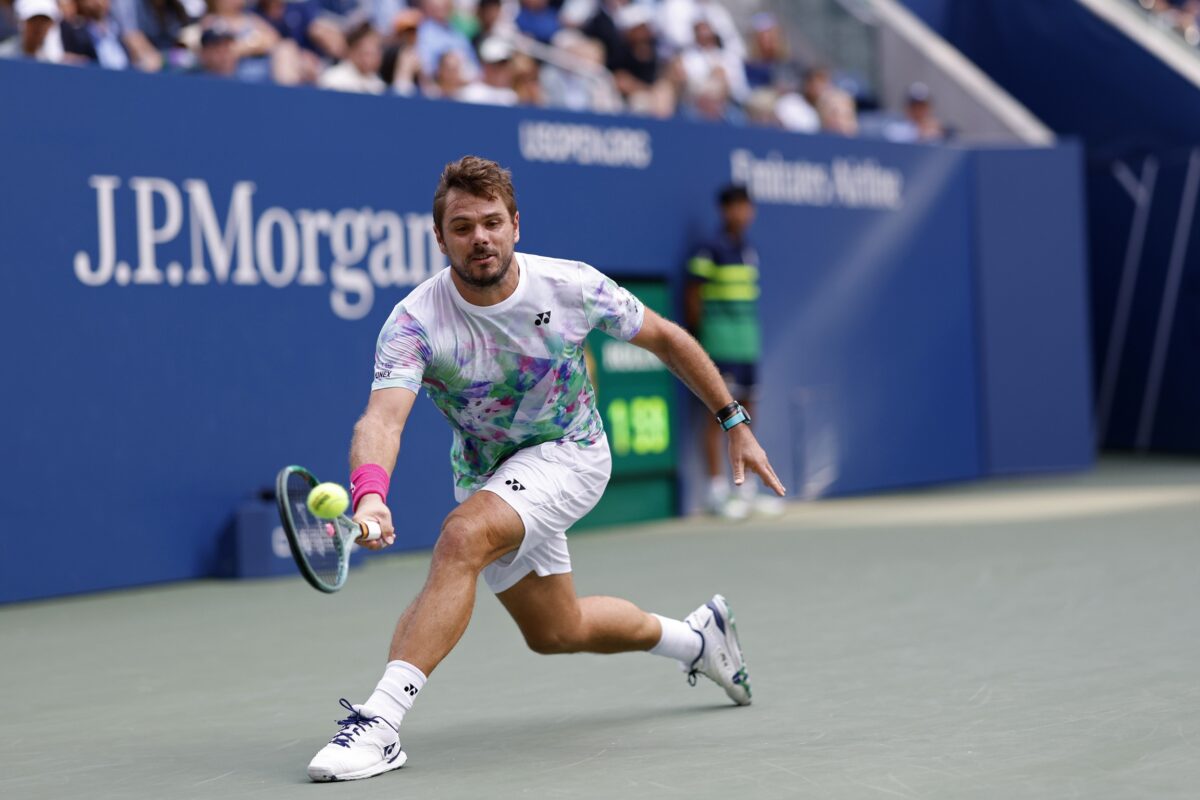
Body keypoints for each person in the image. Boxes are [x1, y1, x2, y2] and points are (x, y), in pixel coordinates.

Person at [305, 156, 786, 782]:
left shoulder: (571, 286)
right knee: (558, 629)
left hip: (572, 456)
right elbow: (381, 420)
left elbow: (666, 336)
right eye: (462, 227)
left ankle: (380, 723)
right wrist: (370, 495)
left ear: (515, 225)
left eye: (492, 222)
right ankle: (699, 639)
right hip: (489, 472)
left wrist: (733, 421)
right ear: (440, 238)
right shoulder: (414, 322)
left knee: (463, 536)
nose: (480, 237)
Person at [685, 184, 779, 520]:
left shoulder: (749, 249)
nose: (743, 214)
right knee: (720, 416)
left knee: (748, 414)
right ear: (724, 210)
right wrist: (701, 341)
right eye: (737, 207)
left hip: (746, 345)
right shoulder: (709, 249)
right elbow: (693, 295)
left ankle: (748, 489)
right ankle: (716, 492)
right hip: (719, 345)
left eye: (747, 207)